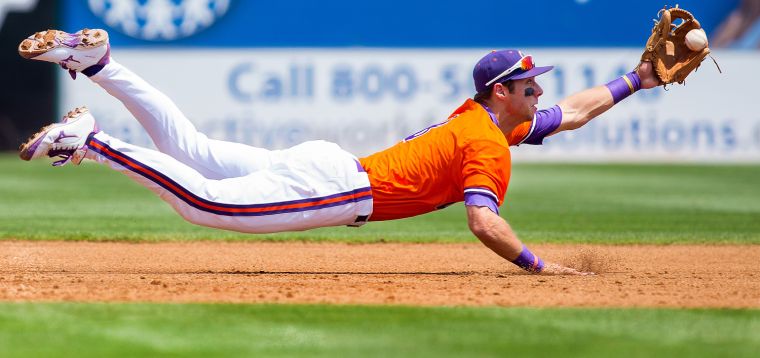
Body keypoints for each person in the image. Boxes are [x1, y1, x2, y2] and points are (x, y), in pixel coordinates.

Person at [17, 29, 659, 276]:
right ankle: (92, 141)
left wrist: (640, 79)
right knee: (206, 205)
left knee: (195, 149)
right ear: (501, 92)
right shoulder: (486, 142)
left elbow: (570, 113)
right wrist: (537, 265)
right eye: (529, 83)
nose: (539, 89)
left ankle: (100, 63)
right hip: (341, 189)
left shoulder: (486, 122)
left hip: (330, 166)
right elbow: (482, 220)